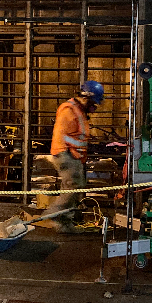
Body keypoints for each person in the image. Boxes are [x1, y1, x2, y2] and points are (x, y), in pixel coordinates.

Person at [47, 80, 104, 233]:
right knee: (73, 186)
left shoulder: (78, 110)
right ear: (86, 98)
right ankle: (54, 214)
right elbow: (62, 136)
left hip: (72, 155)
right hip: (66, 154)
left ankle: (65, 224)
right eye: (93, 102)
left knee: (72, 187)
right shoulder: (69, 110)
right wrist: (74, 151)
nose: (94, 107)